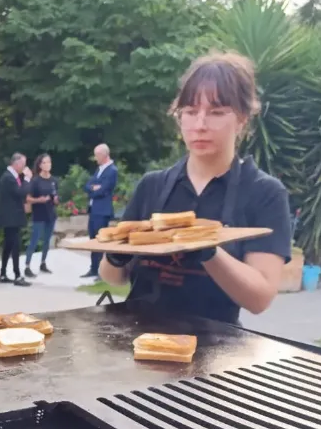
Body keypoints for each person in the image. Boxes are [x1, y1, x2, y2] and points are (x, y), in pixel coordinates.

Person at [100, 52, 291, 322]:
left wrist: (208, 250)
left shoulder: (264, 193)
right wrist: (117, 256)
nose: (200, 125)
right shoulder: (152, 186)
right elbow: (113, 278)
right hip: (139, 339)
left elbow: (259, 298)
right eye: (190, 112)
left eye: (216, 113)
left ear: (242, 119)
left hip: (216, 348)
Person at [81, 144, 118, 278]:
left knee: (100, 241)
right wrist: (93, 189)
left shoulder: (112, 170)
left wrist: (95, 190)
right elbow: (87, 186)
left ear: (104, 155)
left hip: (102, 210)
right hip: (93, 209)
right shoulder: (99, 169)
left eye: (97, 155)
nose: (95, 158)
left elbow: (104, 190)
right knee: (92, 239)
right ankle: (93, 268)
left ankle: (103, 271)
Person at [0, 152, 31, 286]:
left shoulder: (14, 176)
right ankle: (17, 275)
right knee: (15, 246)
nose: (24, 167)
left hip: (12, 216)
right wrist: (27, 179)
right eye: (23, 164)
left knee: (9, 245)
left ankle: (3, 273)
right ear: (16, 164)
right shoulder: (8, 177)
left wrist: (24, 179)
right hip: (10, 217)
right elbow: (20, 193)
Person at [24, 153, 59, 277]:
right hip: (39, 214)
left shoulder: (54, 180)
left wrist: (56, 200)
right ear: (40, 165)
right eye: (44, 162)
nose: (47, 165)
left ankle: (43, 262)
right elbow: (28, 199)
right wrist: (39, 200)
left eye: (49, 162)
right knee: (34, 240)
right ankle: (27, 266)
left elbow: (56, 196)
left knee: (46, 240)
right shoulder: (35, 181)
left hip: (50, 214)